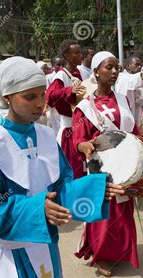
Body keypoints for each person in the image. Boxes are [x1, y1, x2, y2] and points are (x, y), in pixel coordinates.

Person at [0, 56, 124, 278]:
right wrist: (36, 208)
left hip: (43, 244)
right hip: (9, 251)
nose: (40, 104)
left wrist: (94, 191)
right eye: (29, 97)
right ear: (7, 96)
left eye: (42, 95)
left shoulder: (45, 135)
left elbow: (62, 187)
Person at [73, 51, 139, 277]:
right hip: (100, 167)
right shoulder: (85, 107)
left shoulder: (123, 99)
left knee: (123, 209)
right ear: (95, 72)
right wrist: (83, 146)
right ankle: (102, 255)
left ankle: (121, 251)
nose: (114, 71)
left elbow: (133, 131)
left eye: (116, 67)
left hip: (124, 163)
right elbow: (78, 140)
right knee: (106, 211)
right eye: (108, 67)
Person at [46, 39, 86, 178]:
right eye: (77, 53)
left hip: (81, 127)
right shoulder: (61, 76)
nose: (81, 55)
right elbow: (49, 96)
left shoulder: (78, 73)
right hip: (69, 130)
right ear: (67, 56)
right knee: (72, 171)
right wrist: (69, 90)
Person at [115, 55, 143, 124]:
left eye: (140, 65)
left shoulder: (140, 81)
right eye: (137, 64)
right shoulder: (121, 78)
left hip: (138, 120)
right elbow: (131, 81)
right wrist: (142, 77)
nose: (139, 67)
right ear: (128, 66)